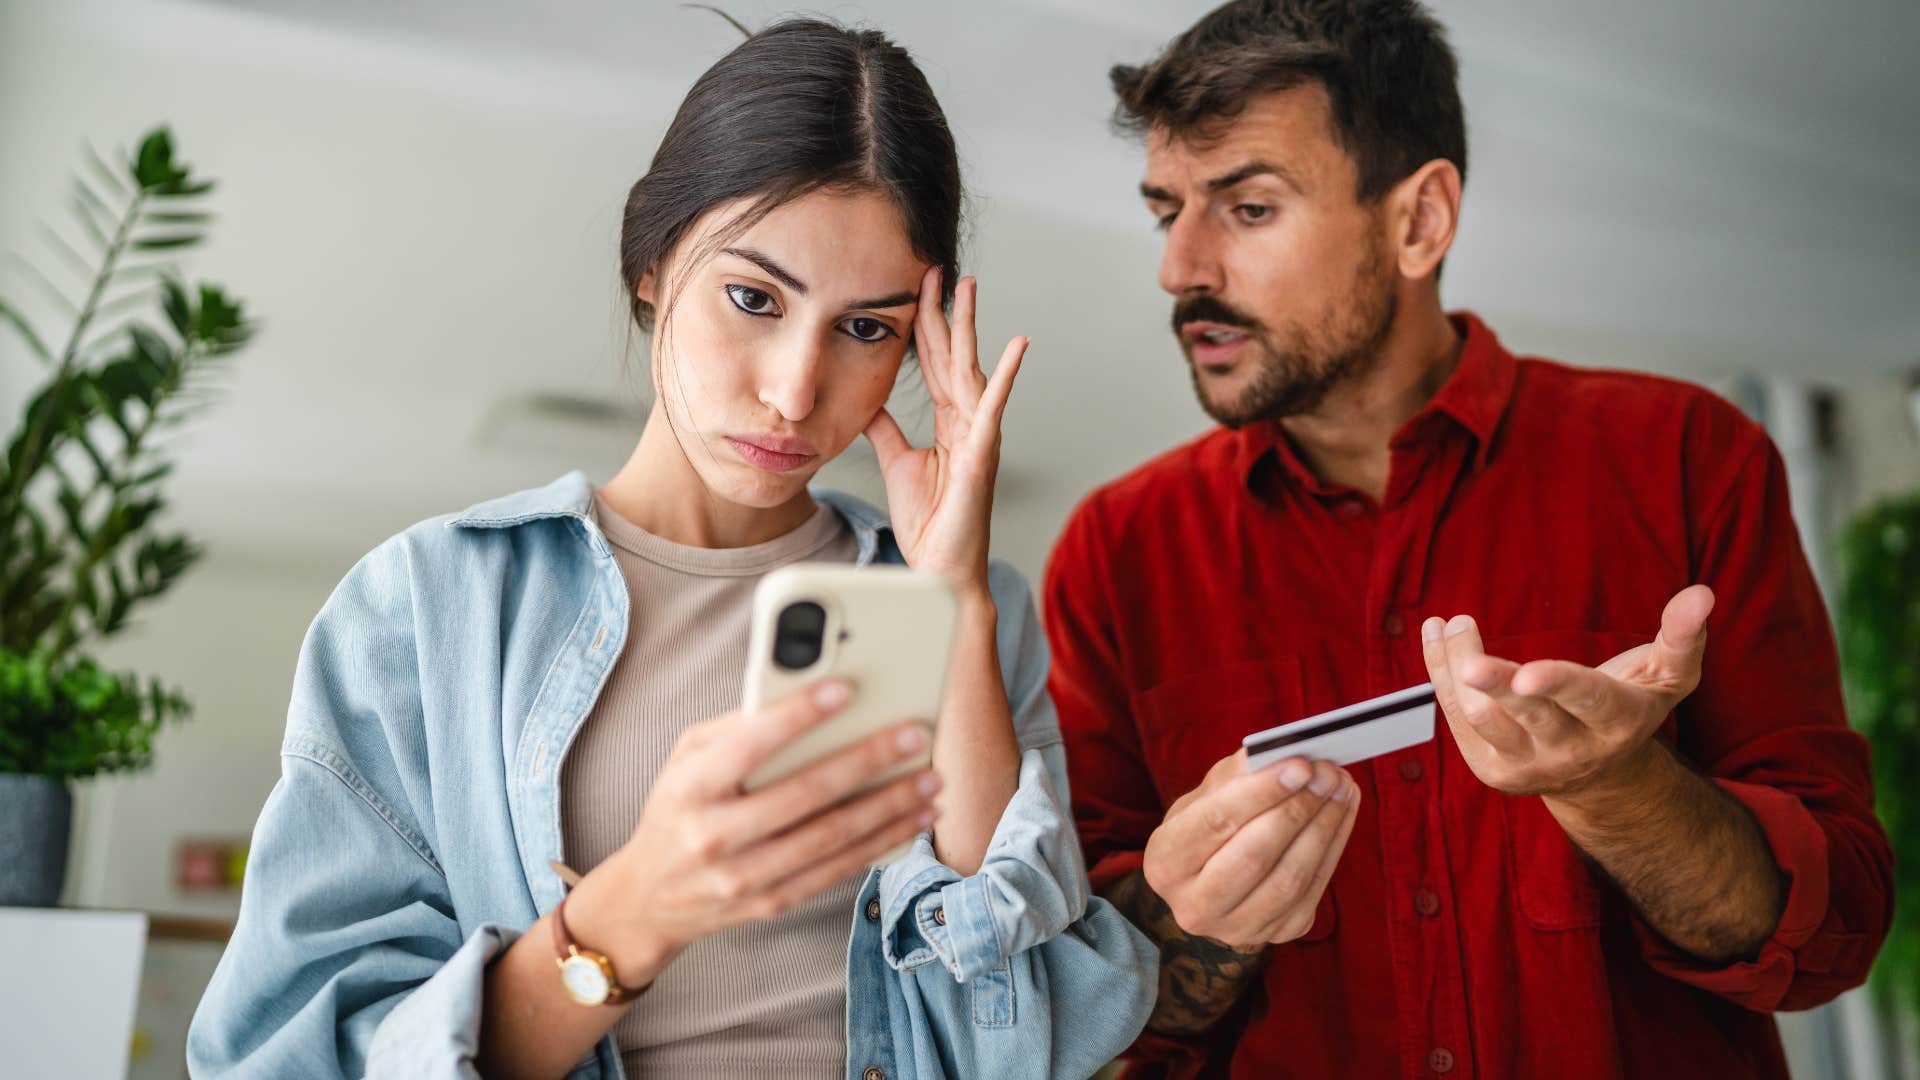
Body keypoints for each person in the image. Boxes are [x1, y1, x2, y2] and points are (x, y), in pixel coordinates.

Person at [188, 18, 1155, 1080]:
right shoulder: (425, 606)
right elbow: (290, 1059)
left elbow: (1019, 1035)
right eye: (754, 299)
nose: (795, 389)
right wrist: (637, 906)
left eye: (866, 328)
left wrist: (956, 602)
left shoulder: (970, 608)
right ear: (653, 265)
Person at [1044, 1, 1892, 1076]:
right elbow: (1072, 1015)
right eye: (1165, 210)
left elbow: (1835, 933)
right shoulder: (1117, 553)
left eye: (1247, 209)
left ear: (1419, 222)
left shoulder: (1689, 457)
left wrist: (1623, 792)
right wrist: (1184, 914)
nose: (1180, 268)